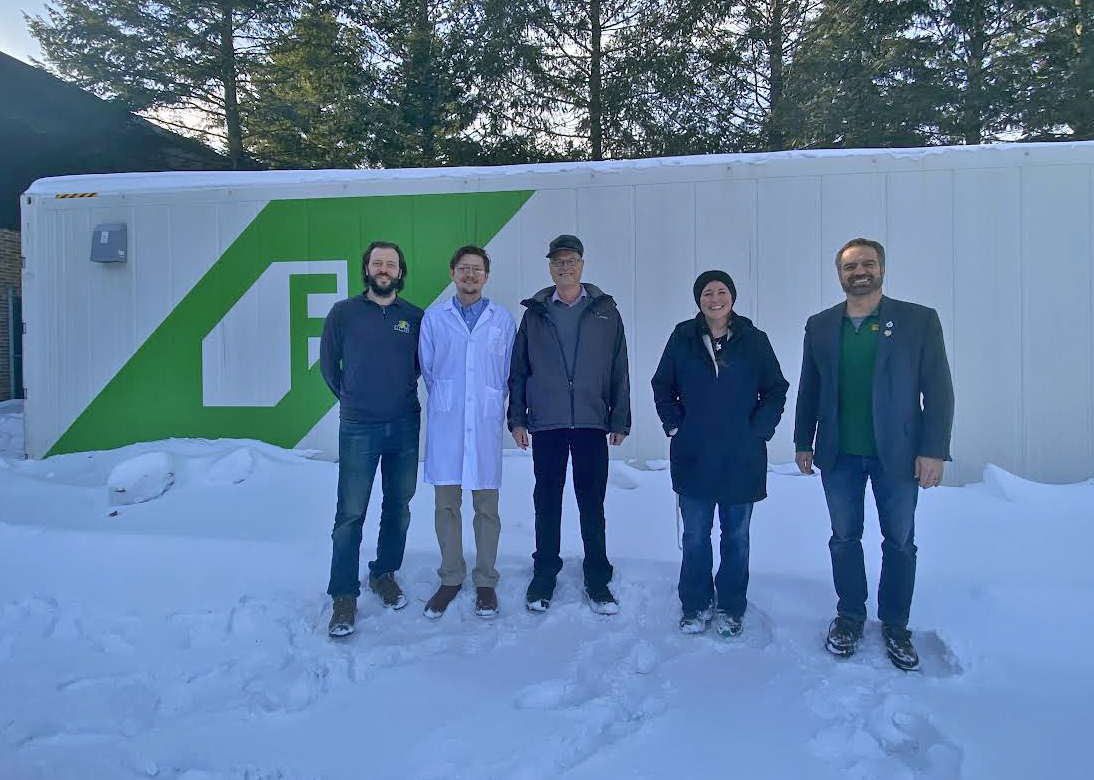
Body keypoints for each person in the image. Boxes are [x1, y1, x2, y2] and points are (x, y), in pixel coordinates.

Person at [794, 237, 954, 670]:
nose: (859, 271)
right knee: (844, 538)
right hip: (838, 453)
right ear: (840, 274)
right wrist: (802, 441)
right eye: (850, 267)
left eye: (867, 264)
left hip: (899, 455)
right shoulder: (821, 325)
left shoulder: (917, 321)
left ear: (881, 268)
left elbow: (938, 390)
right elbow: (810, 386)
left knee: (899, 542)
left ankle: (896, 625)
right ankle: (849, 617)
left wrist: (934, 451)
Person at [652, 271, 788, 637]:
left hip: (740, 457)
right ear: (698, 300)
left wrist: (760, 429)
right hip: (694, 454)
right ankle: (695, 604)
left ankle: (730, 606)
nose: (715, 299)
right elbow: (661, 385)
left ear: (733, 297)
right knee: (696, 535)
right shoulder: (682, 338)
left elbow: (776, 389)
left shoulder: (753, 341)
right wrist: (675, 424)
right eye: (707, 293)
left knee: (736, 536)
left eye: (722, 292)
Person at [507, 234, 631, 614]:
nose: (565, 266)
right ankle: (545, 572)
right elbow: (519, 369)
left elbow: (619, 368)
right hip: (547, 423)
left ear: (582, 264)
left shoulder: (605, 311)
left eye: (571, 260)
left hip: (593, 422)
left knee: (591, 500)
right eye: (558, 261)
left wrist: (620, 419)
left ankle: (597, 575)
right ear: (550, 267)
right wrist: (517, 418)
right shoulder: (536, 314)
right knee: (547, 500)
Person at [320, 240, 425, 638]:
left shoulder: (414, 317)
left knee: (398, 506)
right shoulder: (343, 313)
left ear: (401, 272)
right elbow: (330, 365)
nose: (384, 269)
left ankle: (384, 573)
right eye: (377, 263)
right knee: (350, 514)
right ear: (365, 269)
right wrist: (352, 398)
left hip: (403, 425)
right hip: (359, 426)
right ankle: (344, 594)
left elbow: (421, 366)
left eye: (391, 264)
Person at [418, 245, 516, 619]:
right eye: (463, 269)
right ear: (452, 273)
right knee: (446, 506)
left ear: (486, 276)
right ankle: (451, 577)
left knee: (486, 508)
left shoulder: (502, 319)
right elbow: (429, 369)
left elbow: (507, 370)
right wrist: (449, 395)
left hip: (485, 423)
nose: (470, 275)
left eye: (477, 269)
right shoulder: (434, 317)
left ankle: (486, 580)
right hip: (447, 423)